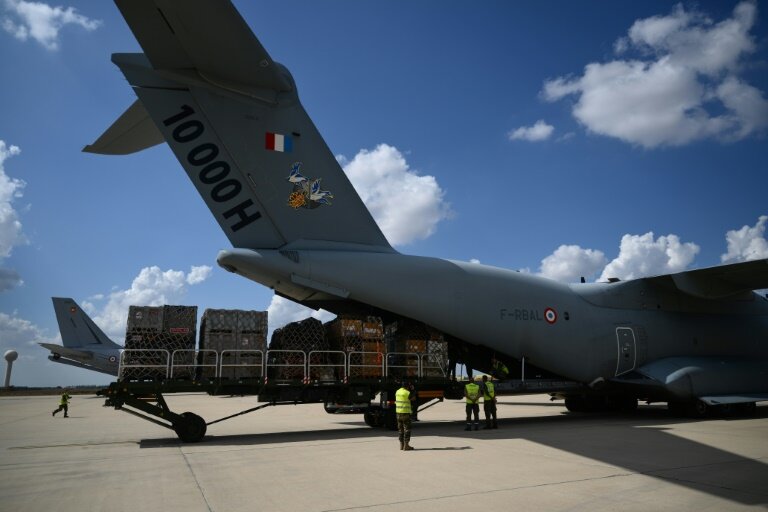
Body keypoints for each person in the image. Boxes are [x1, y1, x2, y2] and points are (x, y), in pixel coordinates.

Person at [395, 381, 416, 451]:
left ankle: (401, 445)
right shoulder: (407, 392)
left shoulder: (397, 391)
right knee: (407, 429)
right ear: (407, 387)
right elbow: (413, 399)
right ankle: (406, 446)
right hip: (405, 413)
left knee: (400, 430)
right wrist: (413, 390)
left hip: (398, 413)